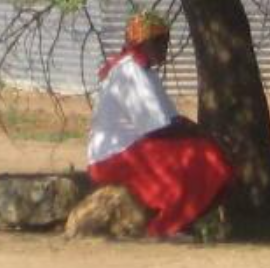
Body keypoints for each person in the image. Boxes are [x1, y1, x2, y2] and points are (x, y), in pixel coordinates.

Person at [85, 12, 234, 238]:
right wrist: (203, 136)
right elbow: (158, 128)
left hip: (132, 149)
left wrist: (202, 134)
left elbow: (170, 120)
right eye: (159, 42)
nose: (165, 47)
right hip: (114, 156)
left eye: (165, 41)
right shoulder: (130, 71)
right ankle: (164, 227)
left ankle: (181, 221)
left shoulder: (143, 71)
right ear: (143, 43)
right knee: (201, 157)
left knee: (209, 154)